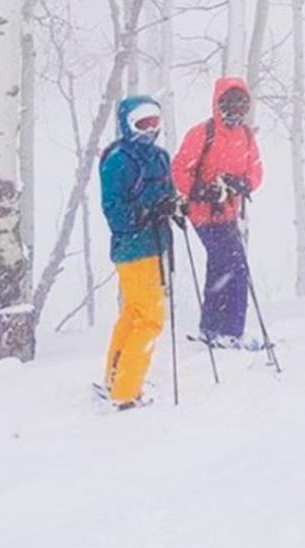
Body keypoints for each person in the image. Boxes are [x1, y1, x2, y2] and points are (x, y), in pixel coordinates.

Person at [99, 95, 180, 410]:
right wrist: (148, 210)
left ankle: (115, 377)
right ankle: (126, 390)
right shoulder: (118, 160)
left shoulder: (159, 157)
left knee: (134, 313)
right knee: (151, 319)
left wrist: (173, 206)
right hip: (133, 248)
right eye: (142, 124)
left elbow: (166, 192)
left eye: (154, 123)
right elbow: (115, 212)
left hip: (155, 244)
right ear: (128, 125)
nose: (150, 130)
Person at [171, 78, 263, 348]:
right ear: (219, 105)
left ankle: (213, 328)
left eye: (241, 108)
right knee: (233, 264)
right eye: (230, 107)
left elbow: (256, 171)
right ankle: (229, 330)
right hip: (203, 213)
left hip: (228, 212)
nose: (235, 114)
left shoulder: (245, 136)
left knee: (224, 264)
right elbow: (179, 169)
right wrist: (201, 190)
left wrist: (242, 184)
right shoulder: (203, 133)